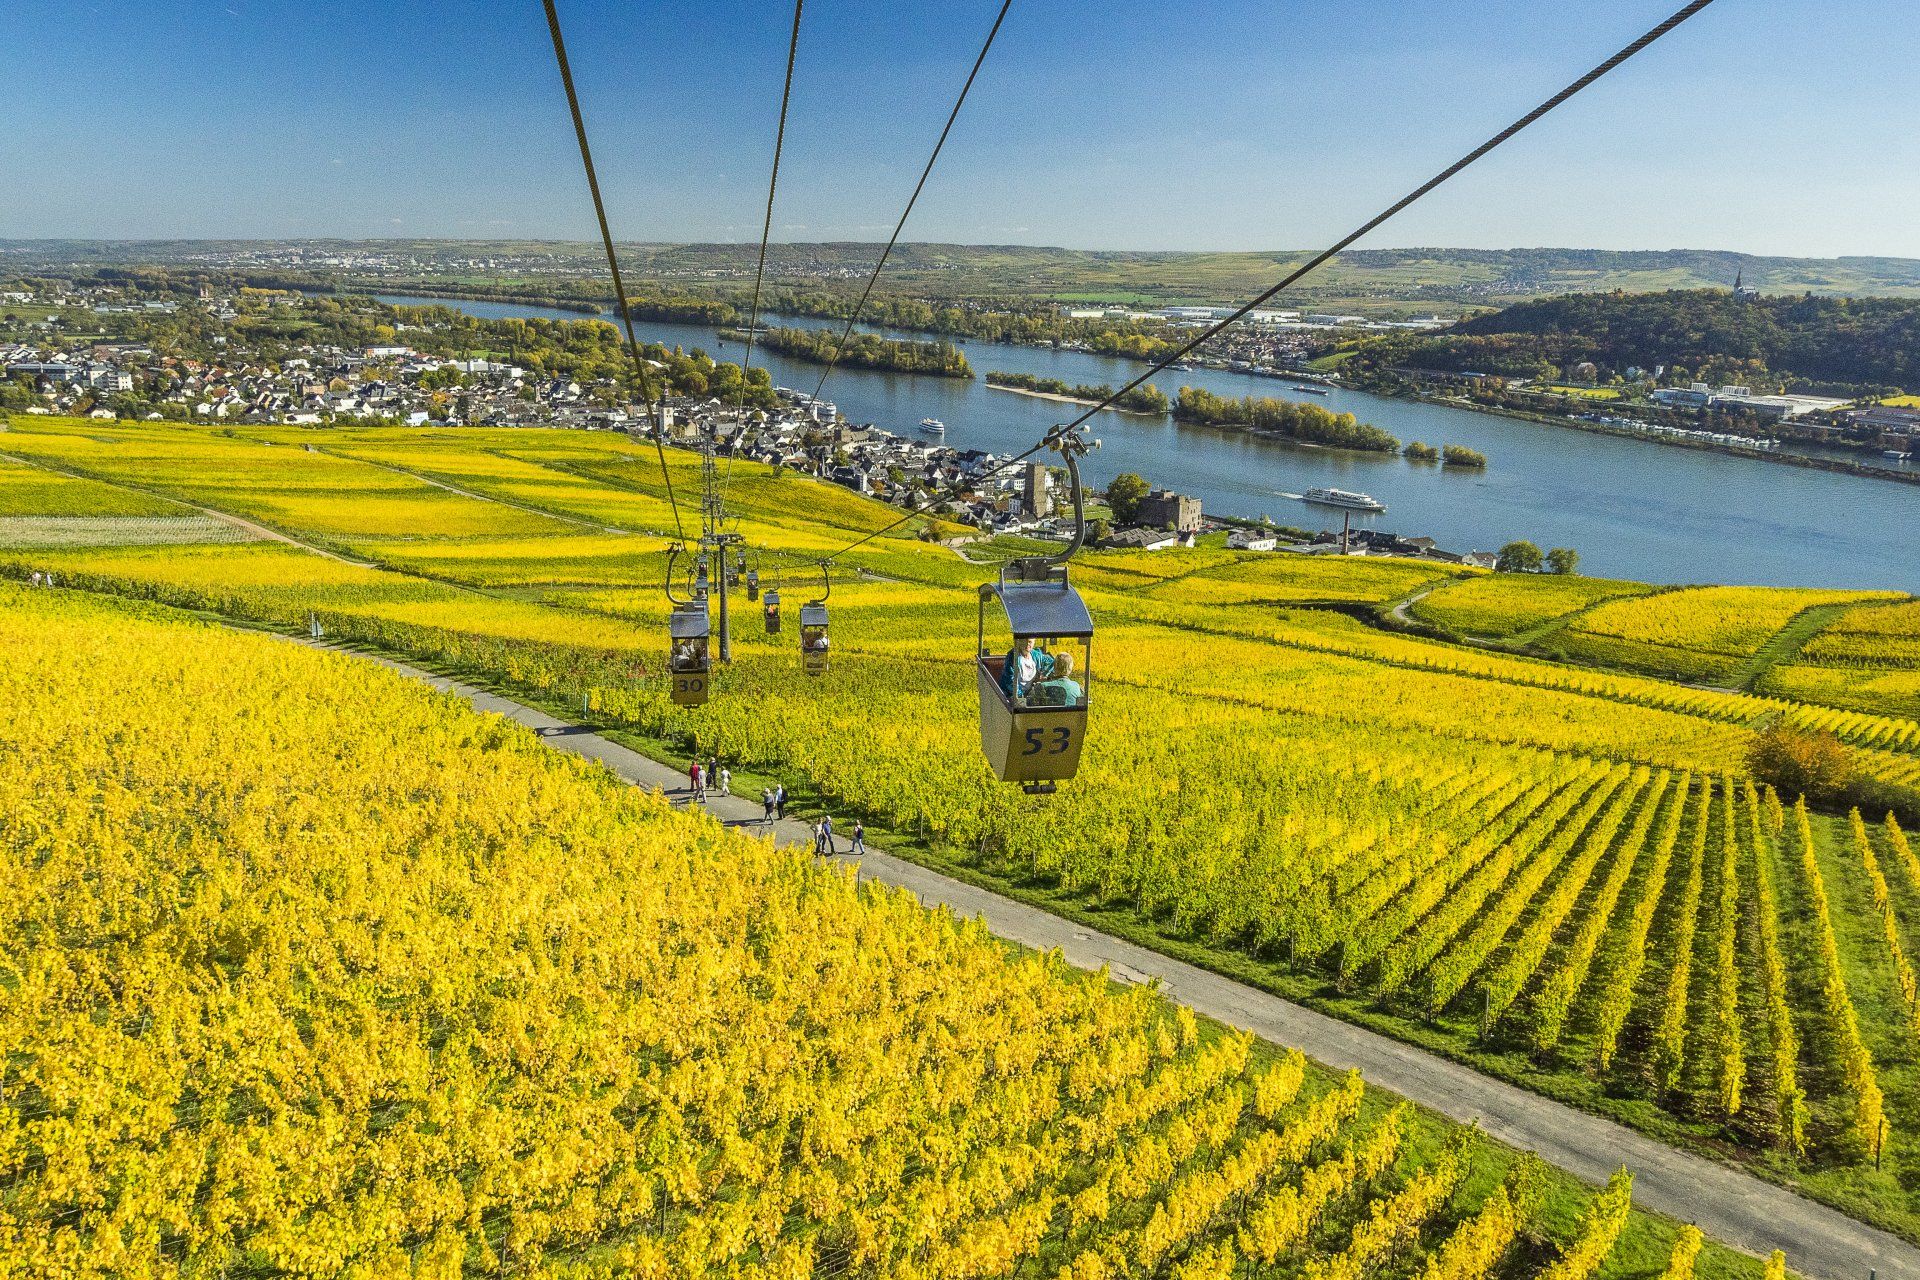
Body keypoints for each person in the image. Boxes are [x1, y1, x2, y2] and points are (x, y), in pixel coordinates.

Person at [999, 636, 1051, 702]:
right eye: (1024, 641)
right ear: (1019, 642)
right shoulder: (1012, 657)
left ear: (1034, 642)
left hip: (1031, 695)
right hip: (1012, 697)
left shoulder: (1036, 655)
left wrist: (1044, 674)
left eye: (1030, 642)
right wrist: (1023, 697)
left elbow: (1050, 662)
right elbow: (1010, 682)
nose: (1027, 644)